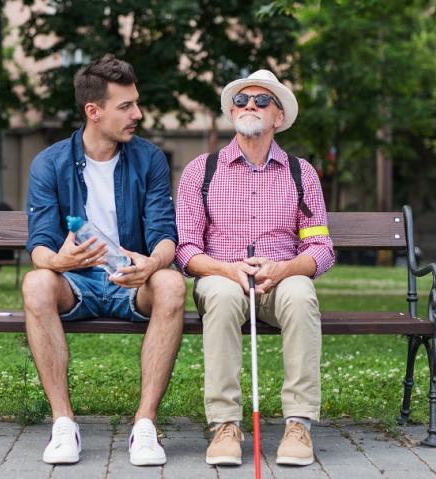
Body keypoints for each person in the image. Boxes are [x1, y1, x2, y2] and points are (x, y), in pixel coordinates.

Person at [22, 54, 184, 467]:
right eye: (126, 106)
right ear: (93, 111)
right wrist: (59, 260)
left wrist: (150, 265)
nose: (138, 114)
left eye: (136, 103)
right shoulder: (50, 163)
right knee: (36, 282)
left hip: (132, 280)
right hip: (76, 281)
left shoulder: (148, 159)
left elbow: (165, 235)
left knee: (171, 283)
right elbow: (38, 244)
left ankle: (145, 427)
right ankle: (63, 424)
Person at [175, 69, 334, 467]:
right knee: (225, 295)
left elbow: (320, 246)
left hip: (279, 282)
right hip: (221, 279)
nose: (250, 106)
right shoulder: (201, 170)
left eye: (262, 100)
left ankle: (298, 424)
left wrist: (283, 269)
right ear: (231, 111)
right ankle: (225, 425)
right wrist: (227, 270)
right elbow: (186, 249)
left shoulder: (302, 174)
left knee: (301, 292)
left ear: (278, 116)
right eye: (242, 100)